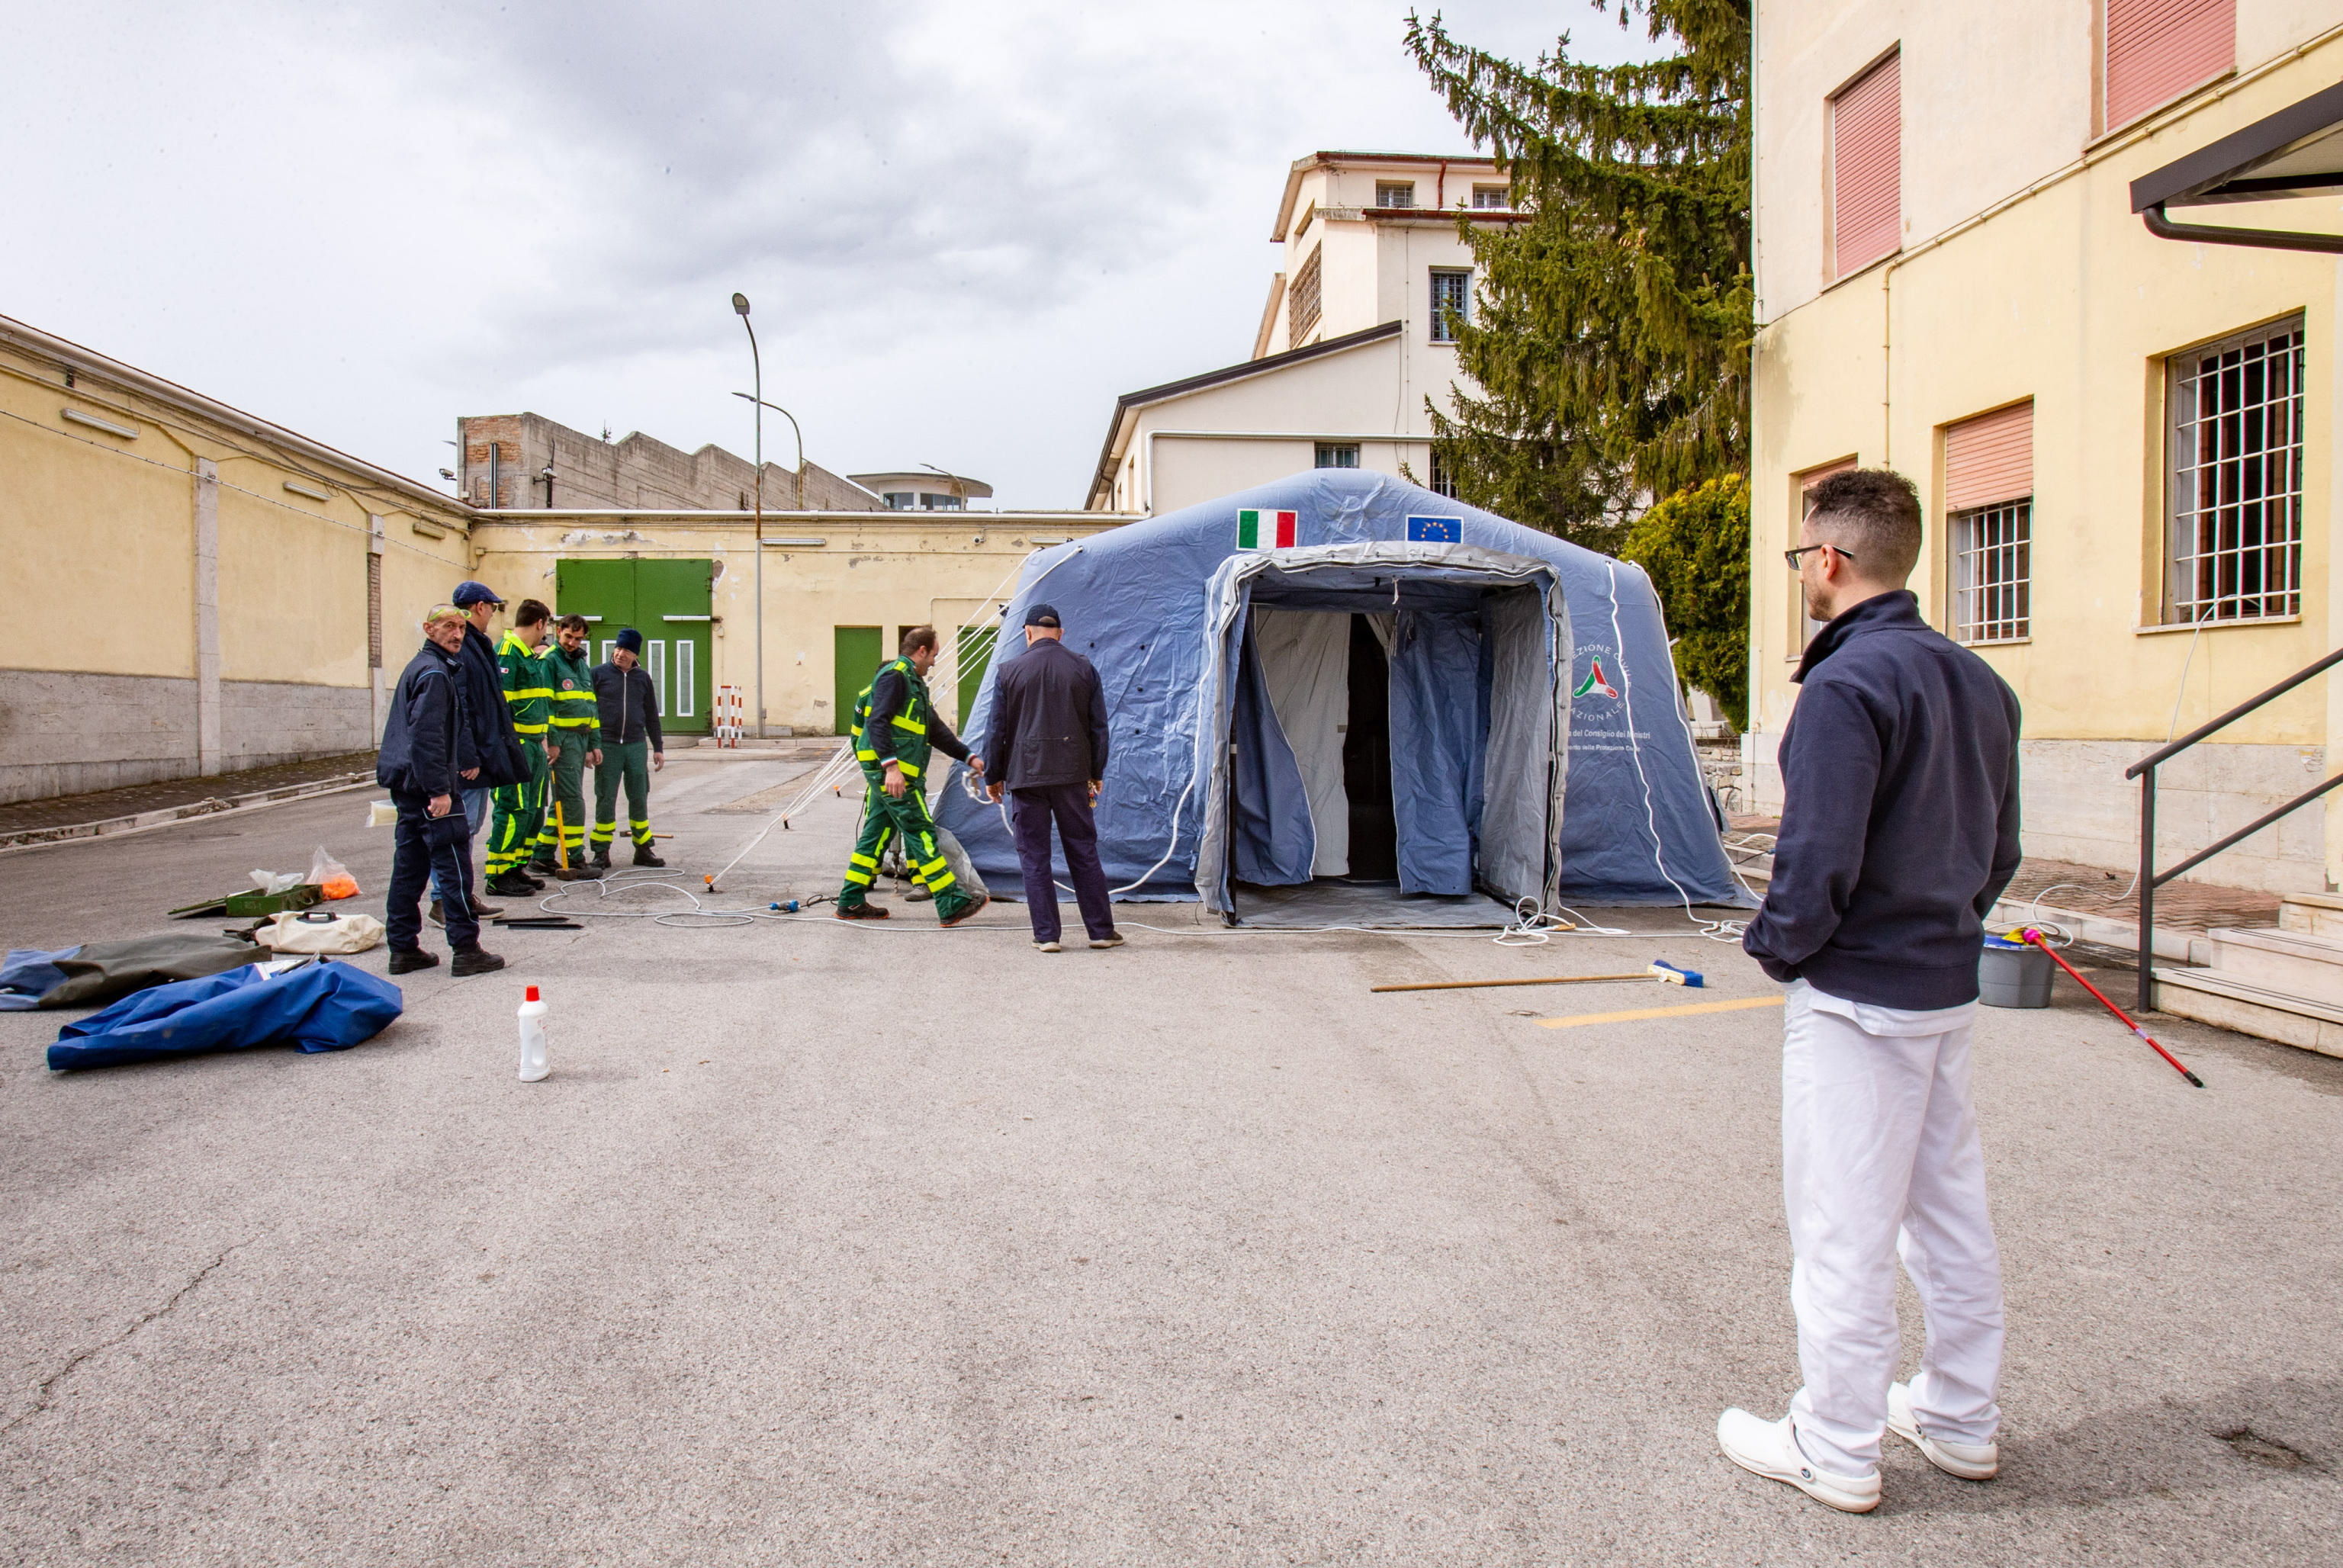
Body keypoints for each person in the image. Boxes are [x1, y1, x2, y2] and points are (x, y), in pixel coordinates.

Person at [1718, 468, 2021, 1514]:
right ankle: (1958, 1415)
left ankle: (1836, 1443)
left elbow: (1817, 859)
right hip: (1943, 986)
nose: (1802, 571)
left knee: (1843, 1224)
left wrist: (1781, 947)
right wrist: (1949, 926)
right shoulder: (1981, 683)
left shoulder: (1847, 687)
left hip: (1857, 996)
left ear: (1832, 561)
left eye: (1803, 555)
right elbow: (2001, 849)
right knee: (1946, 1213)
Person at [376, 606, 505, 977]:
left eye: (462, 628)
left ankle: (402, 949)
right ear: (429, 628)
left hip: (408, 785)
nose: (458, 634)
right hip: (429, 787)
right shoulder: (434, 673)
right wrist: (440, 791)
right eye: (449, 626)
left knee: (409, 868)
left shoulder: (422, 666)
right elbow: (427, 737)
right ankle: (467, 950)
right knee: (453, 868)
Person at [983, 602, 1120, 953]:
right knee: (1083, 850)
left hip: (1025, 776)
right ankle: (1101, 932)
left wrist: (994, 775)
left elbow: (996, 730)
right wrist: (1096, 771)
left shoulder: (1008, 670)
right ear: (1060, 634)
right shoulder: (1083, 668)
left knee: (1034, 856)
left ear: (1027, 633)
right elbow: (1098, 727)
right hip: (1073, 775)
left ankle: (1047, 936)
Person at [835, 626, 988, 926]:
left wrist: (968, 756)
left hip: (896, 771)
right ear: (921, 651)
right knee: (920, 831)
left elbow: (934, 729)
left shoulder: (913, 684)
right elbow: (877, 722)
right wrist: (891, 768)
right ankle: (950, 901)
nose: (933, 661)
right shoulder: (895, 677)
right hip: (895, 772)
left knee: (875, 835)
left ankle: (851, 900)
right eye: (933, 655)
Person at [443, 580, 525, 921]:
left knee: (470, 829)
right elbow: (460, 706)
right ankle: (445, 900)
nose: (494, 613)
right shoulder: (464, 649)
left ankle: (461, 894)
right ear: (480, 607)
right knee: (456, 831)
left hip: (482, 753)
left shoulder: (477, 646)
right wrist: (467, 756)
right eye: (492, 607)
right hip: (469, 760)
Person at [485, 599, 554, 897]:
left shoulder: (528, 656)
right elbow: (499, 708)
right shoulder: (507, 654)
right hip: (515, 745)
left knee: (534, 810)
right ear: (540, 623)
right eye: (547, 627)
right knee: (513, 810)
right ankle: (498, 874)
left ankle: (516, 867)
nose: (545, 634)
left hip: (534, 745)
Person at [530, 613, 603, 879]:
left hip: (580, 738)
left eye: (578, 638)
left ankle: (541, 855)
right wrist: (554, 743)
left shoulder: (580, 663)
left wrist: (594, 743)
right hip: (563, 739)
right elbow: (545, 707)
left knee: (562, 800)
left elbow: (590, 704)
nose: (572, 642)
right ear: (558, 631)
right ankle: (574, 857)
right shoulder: (549, 662)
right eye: (568, 636)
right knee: (572, 801)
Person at [590, 628, 667, 869]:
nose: (621, 654)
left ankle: (643, 849)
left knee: (638, 797)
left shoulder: (642, 678)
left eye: (627, 651)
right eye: (619, 648)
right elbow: (589, 711)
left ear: (636, 655)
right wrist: (592, 745)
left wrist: (658, 747)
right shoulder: (598, 675)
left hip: (635, 745)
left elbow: (651, 715)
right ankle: (601, 852)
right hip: (608, 746)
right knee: (605, 798)